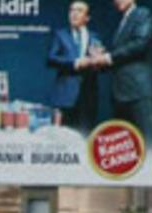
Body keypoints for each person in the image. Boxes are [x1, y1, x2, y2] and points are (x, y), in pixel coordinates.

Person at [90, 0, 152, 147]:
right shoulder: (123, 21)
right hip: (120, 93)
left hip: (137, 91)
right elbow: (121, 58)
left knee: (147, 142)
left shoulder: (142, 14)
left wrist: (107, 57)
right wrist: (100, 61)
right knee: (124, 146)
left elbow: (140, 44)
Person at [48, 1, 103, 134]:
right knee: (64, 139)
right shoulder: (60, 34)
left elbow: (102, 66)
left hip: (88, 96)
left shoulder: (95, 37)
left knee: (86, 137)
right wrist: (75, 63)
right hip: (66, 97)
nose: (74, 14)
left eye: (79, 11)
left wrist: (98, 62)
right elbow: (51, 59)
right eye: (71, 10)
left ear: (87, 17)